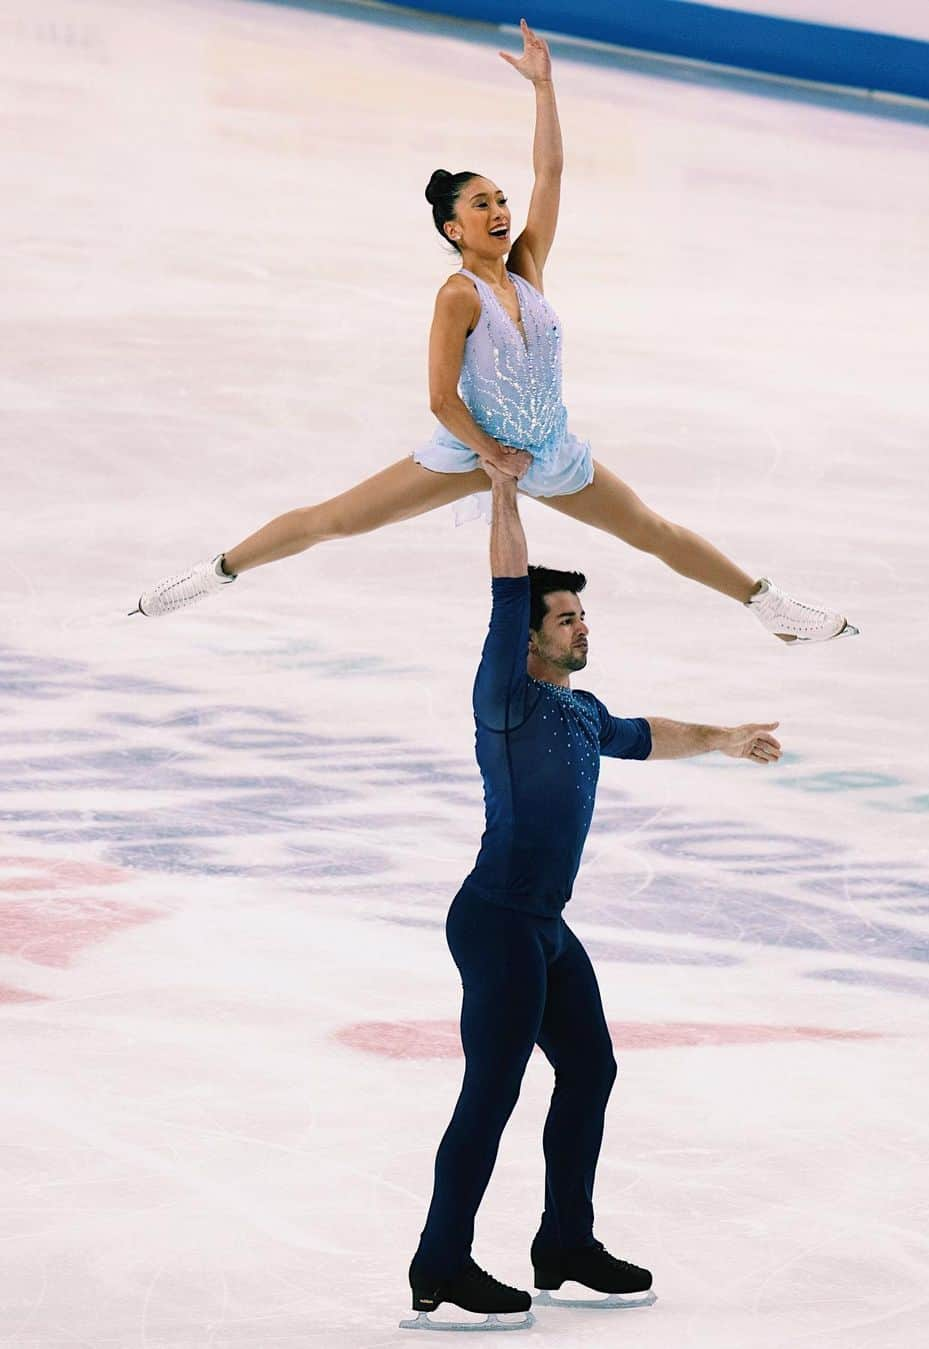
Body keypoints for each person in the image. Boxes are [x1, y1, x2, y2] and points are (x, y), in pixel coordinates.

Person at [131, 20, 856, 646]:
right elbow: (441, 398)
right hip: (471, 451)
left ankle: (769, 605)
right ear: (455, 227)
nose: (501, 209)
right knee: (338, 520)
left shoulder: (529, 267)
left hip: (550, 453)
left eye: (501, 199)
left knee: (653, 532)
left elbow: (552, 169)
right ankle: (215, 571)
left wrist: (543, 89)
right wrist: (490, 456)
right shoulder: (458, 296)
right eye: (483, 204)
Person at [400, 462, 783, 1332]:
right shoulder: (507, 696)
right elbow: (506, 591)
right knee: (491, 1091)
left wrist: (724, 736)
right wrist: (503, 495)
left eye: (582, 614)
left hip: (544, 927)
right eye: (565, 617)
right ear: (532, 639)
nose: (581, 627)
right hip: (496, 919)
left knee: (592, 1068)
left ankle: (565, 1244)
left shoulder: (580, 712)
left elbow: (649, 734)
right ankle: (440, 1260)